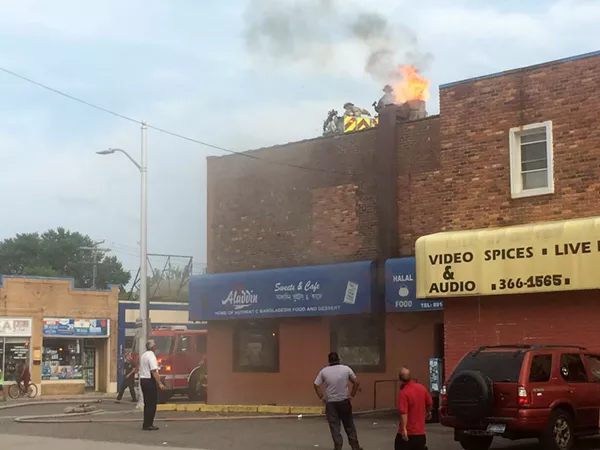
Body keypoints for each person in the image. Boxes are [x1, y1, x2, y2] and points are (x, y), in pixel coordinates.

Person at [314, 352, 362, 450]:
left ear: (329, 361)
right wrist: (352, 395)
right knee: (349, 425)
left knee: (335, 427)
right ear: (338, 359)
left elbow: (316, 384)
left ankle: (338, 447)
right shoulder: (346, 369)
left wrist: (321, 397)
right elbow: (356, 382)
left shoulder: (324, 371)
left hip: (331, 403)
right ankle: (355, 446)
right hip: (344, 402)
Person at [396, 367, 433, 450]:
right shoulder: (421, 388)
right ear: (411, 377)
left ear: (400, 379)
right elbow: (429, 403)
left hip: (409, 433)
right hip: (420, 433)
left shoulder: (403, 393)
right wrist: (428, 412)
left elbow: (404, 413)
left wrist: (404, 429)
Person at [139, 339, 165, 431]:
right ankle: (149, 424)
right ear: (153, 347)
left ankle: (145, 423)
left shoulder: (144, 355)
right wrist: (160, 383)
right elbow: (153, 371)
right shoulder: (151, 356)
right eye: (155, 345)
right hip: (149, 381)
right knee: (152, 404)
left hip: (143, 380)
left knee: (147, 403)